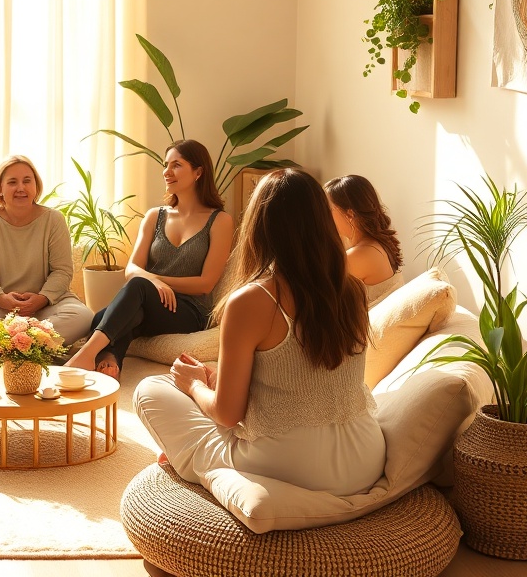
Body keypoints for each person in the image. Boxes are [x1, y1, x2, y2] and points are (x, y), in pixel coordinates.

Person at [133, 169, 385, 497]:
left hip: (289, 468)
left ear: (259, 226)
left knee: (150, 389)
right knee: (208, 385)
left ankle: (193, 463)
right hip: (365, 459)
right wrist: (213, 379)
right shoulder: (352, 289)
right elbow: (305, 376)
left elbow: (227, 415)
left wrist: (193, 385)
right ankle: (192, 450)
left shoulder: (251, 300)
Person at [66, 139, 234, 380]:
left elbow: (206, 283)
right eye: (166, 165)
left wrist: (155, 281)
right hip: (150, 302)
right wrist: (155, 284)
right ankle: (112, 359)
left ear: (198, 172)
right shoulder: (155, 216)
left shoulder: (220, 221)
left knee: (137, 288)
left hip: (189, 311)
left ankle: (86, 355)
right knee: (102, 316)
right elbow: (132, 268)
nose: (167, 172)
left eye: (176, 165)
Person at [0, 154, 93, 351]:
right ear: (0, 189)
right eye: (12, 182)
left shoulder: (54, 220)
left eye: (27, 181)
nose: (21, 188)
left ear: (36, 186)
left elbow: (62, 271)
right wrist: (2, 299)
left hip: (46, 306)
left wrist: (41, 299)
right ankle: (39, 345)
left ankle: (8, 346)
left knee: (83, 318)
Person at [324, 174, 404, 307]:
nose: (325, 216)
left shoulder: (361, 255)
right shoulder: (377, 245)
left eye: (328, 210)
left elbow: (315, 293)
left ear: (349, 214)